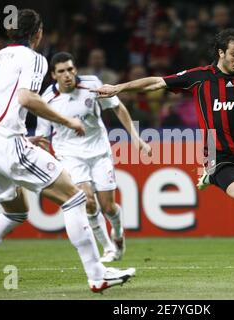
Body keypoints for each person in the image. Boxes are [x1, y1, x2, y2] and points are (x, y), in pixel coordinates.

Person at [92, 28, 234, 268]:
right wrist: (119, 87)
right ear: (221, 52)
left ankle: (209, 178)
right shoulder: (199, 77)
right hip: (217, 154)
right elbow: (157, 83)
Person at [0, 9, 135, 298]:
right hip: (7, 143)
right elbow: (27, 98)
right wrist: (67, 120)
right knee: (74, 197)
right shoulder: (33, 58)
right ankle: (98, 276)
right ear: (38, 33)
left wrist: (21, 132)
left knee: (16, 212)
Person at [35, 52, 151, 262]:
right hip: (70, 154)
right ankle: (108, 248)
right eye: (61, 71)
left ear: (75, 69)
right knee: (88, 201)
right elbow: (43, 137)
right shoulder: (46, 100)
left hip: (99, 152)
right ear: (54, 75)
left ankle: (118, 233)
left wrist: (135, 137)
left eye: (70, 69)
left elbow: (118, 107)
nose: (67, 75)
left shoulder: (92, 85)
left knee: (108, 207)